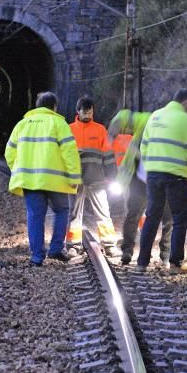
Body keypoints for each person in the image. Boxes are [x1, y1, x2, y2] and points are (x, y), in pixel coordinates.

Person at [5, 91, 81, 267]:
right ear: (54, 107)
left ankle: (37, 257)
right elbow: (69, 152)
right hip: (55, 181)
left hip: (30, 181)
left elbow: (9, 152)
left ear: (37, 106)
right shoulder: (59, 123)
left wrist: (18, 170)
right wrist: (74, 176)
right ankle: (55, 249)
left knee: (35, 216)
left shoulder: (22, 124)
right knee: (62, 211)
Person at [136, 88, 187, 274]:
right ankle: (175, 264)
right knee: (180, 219)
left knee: (152, 216)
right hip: (176, 177)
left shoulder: (155, 116)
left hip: (153, 175)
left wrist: (149, 170)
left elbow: (144, 146)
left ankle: (141, 263)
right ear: (186, 103)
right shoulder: (186, 120)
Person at [108, 109, 172, 266]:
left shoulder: (166, 131)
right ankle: (128, 251)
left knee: (166, 218)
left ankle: (164, 254)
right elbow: (124, 117)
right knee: (137, 216)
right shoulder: (144, 126)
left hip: (157, 181)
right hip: (142, 181)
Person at [67, 96, 119, 255]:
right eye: (85, 112)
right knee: (74, 214)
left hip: (96, 178)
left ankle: (109, 244)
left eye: (90, 112)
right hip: (76, 179)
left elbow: (108, 154)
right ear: (78, 111)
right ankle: (73, 245)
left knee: (103, 211)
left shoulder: (100, 129)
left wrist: (112, 175)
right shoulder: (69, 129)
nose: (88, 115)